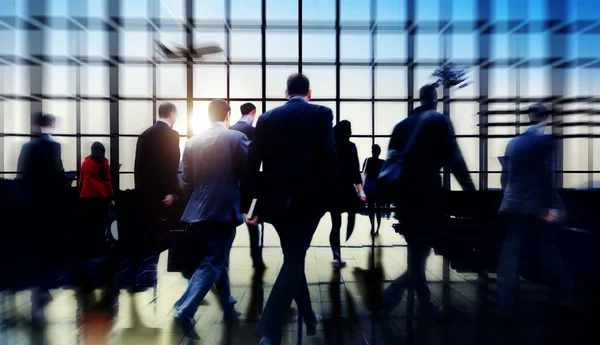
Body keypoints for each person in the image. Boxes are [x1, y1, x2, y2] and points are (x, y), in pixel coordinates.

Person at [246, 73, 339, 345]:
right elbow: (330, 157)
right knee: (294, 259)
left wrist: (251, 206)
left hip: (275, 202)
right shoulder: (322, 114)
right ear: (308, 93)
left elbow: (252, 165)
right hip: (309, 201)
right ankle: (269, 330)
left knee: (292, 256)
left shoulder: (266, 119)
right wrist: (329, 196)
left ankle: (308, 316)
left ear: (286, 93)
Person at [381, 84, 475, 320]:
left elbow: (391, 163)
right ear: (434, 99)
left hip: (405, 196)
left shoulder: (402, 126)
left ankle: (422, 303)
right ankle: (399, 294)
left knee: (417, 250)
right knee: (421, 251)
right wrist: (470, 191)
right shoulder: (439, 122)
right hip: (427, 194)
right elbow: (455, 159)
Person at [173, 99, 249, 340]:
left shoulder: (193, 142)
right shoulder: (236, 138)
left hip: (198, 211)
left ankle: (227, 308)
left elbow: (185, 179)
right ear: (227, 115)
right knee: (212, 262)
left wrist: (192, 203)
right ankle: (185, 309)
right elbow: (247, 173)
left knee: (218, 259)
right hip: (224, 209)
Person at [497, 103, 575, 319]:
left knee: (510, 252)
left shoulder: (513, 143)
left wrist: (509, 197)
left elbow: (505, 177)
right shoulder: (545, 142)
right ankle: (563, 295)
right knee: (548, 249)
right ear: (545, 118)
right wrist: (557, 205)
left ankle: (503, 305)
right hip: (535, 206)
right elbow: (546, 177)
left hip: (513, 204)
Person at [16, 113, 67, 325]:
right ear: (52, 125)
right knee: (47, 246)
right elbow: (57, 174)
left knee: (33, 245)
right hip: (48, 205)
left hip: (30, 204)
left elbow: (22, 174)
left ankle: (33, 283)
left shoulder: (27, 147)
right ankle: (43, 285)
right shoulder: (53, 147)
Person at [131, 102, 181, 292]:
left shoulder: (145, 134)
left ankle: (141, 274)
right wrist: (172, 192)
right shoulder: (171, 135)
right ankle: (150, 273)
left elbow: (139, 167)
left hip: (144, 193)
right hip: (162, 195)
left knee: (146, 234)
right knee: (160, 236)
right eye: (175, 116)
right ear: (171, 114)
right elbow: (170, 165)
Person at [230, 102, 265, 269]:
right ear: (253, 112)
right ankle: (256, 258)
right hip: (249, 185)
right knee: (252, 220)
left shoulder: (229, 130)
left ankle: (224, 260)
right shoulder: (253, 131)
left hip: (231, 184)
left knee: (228, 224)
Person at [329, 120, 365, 269]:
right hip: (346, 188)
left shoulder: (330, 145)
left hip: (332, 189)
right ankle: (348, 233)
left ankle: (336, 256)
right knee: (351, 212)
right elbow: (355, 171)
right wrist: (361, 191)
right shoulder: (351, 147)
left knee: (335, 224)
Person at [79, 142, 114, 259]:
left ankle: (89, 248)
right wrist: (111, 196)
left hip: (86, 196)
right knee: (101, 222)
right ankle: (100, 247)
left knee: (89, 222)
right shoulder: (104, 162)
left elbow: (81, 180)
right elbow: (107, 180)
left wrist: (80, 193)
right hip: (100, 196)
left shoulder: (85, 162)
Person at [362, 144, 385, 235]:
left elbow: (364, 172)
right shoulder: (382, 162)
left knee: (371, 208)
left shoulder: (367, 160)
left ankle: (372, 226)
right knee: (378, 209)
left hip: (369, 185)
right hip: (378, 186)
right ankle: (377, 228)